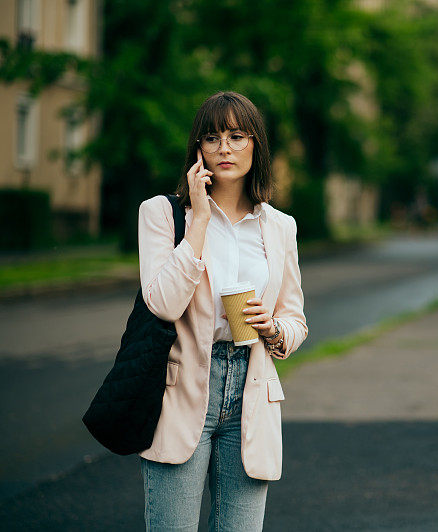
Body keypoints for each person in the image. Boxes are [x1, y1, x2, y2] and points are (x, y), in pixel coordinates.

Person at [136, 91, 308, 530]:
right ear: (198, 149)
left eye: (237, 135)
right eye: (212, 138)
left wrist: (273, 329)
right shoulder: (162, 214)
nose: (224, 149)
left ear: (256, 145)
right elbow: (163, 303)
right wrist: (197, 223)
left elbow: (295, 320)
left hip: (251, 391)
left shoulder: (279, 226)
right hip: (182, 388)